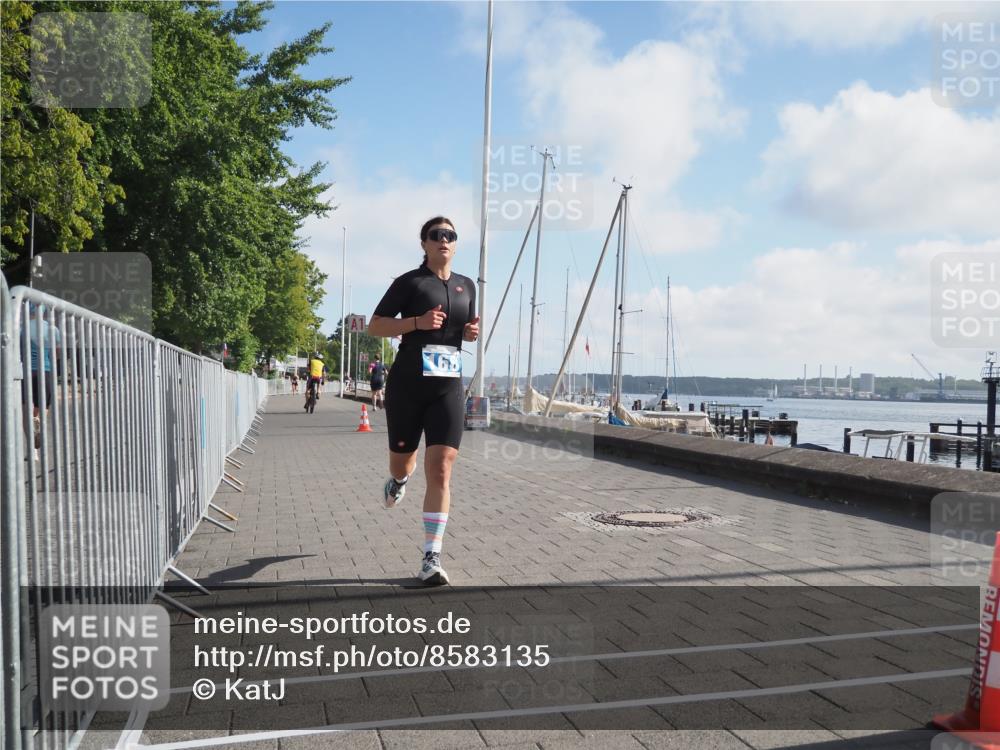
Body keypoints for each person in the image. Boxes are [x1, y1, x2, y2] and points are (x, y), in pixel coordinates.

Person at [367, 216, 479, 585]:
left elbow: (464, 330)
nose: (443, 240)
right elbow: (376, 325)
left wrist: (469, 333)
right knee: (403, 464)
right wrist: (416, 322)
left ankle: (431, 557)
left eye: (450, 235)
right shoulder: (409, 283)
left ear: (455, 244)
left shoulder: (467, 287)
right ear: (424, 244)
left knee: (442, 466)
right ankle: (398, 480)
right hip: (409, 385)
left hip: (448, 386)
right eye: (436, 235)